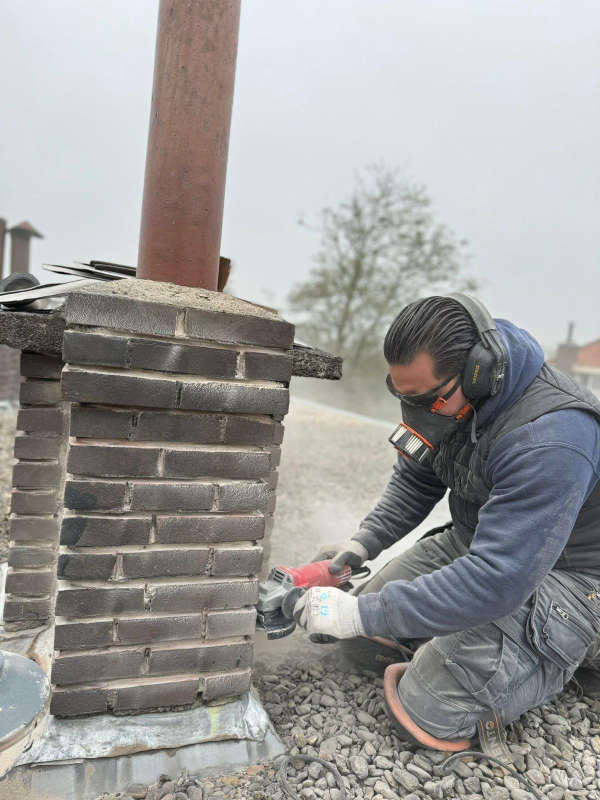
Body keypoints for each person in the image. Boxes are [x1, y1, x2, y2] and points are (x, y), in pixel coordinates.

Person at [293, 294, 600, 744]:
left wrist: (359, 611)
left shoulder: (552, 438)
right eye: (402, 396)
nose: (413, 413)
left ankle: (571, 656)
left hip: (570, 578)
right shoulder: (440, 401)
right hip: (485, 546)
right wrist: (363, 544)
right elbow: (415, 482)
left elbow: (498, 580)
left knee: (429, 712)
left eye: (425, 400)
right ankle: (478, 647)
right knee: (364, 644)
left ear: (479, 371)